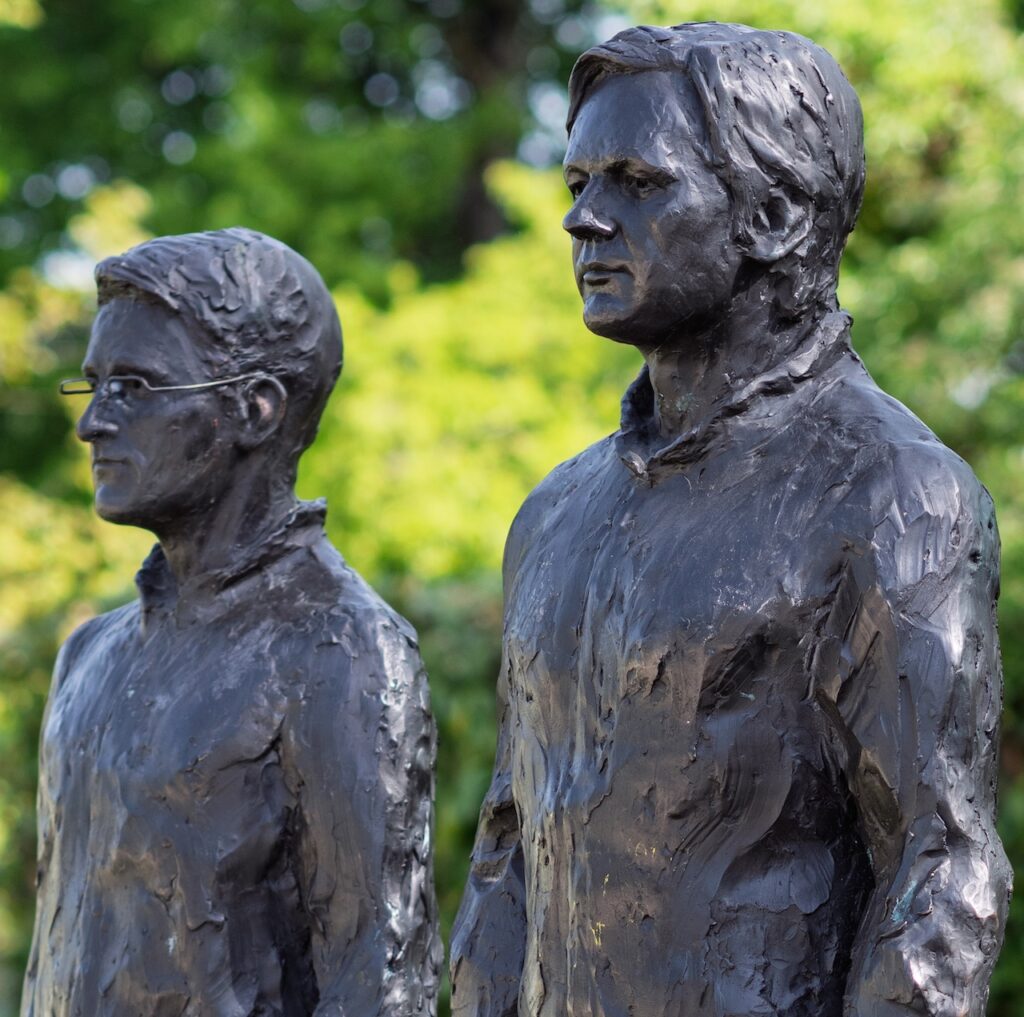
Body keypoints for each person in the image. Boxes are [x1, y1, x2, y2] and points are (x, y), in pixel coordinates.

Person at [451, 23, 1010, 1017]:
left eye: (636, 180)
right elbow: (508, 843)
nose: (583, 219)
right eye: (576, 184)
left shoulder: (891, 495)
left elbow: (939, 871)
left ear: (777, 215)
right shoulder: (553, 513)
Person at [22, 228, 440, 1016]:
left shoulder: (340, 650)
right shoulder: (87, 655)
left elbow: (380, 981)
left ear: (255, 409)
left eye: (136, 387)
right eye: (94, 386)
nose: (92, 424)